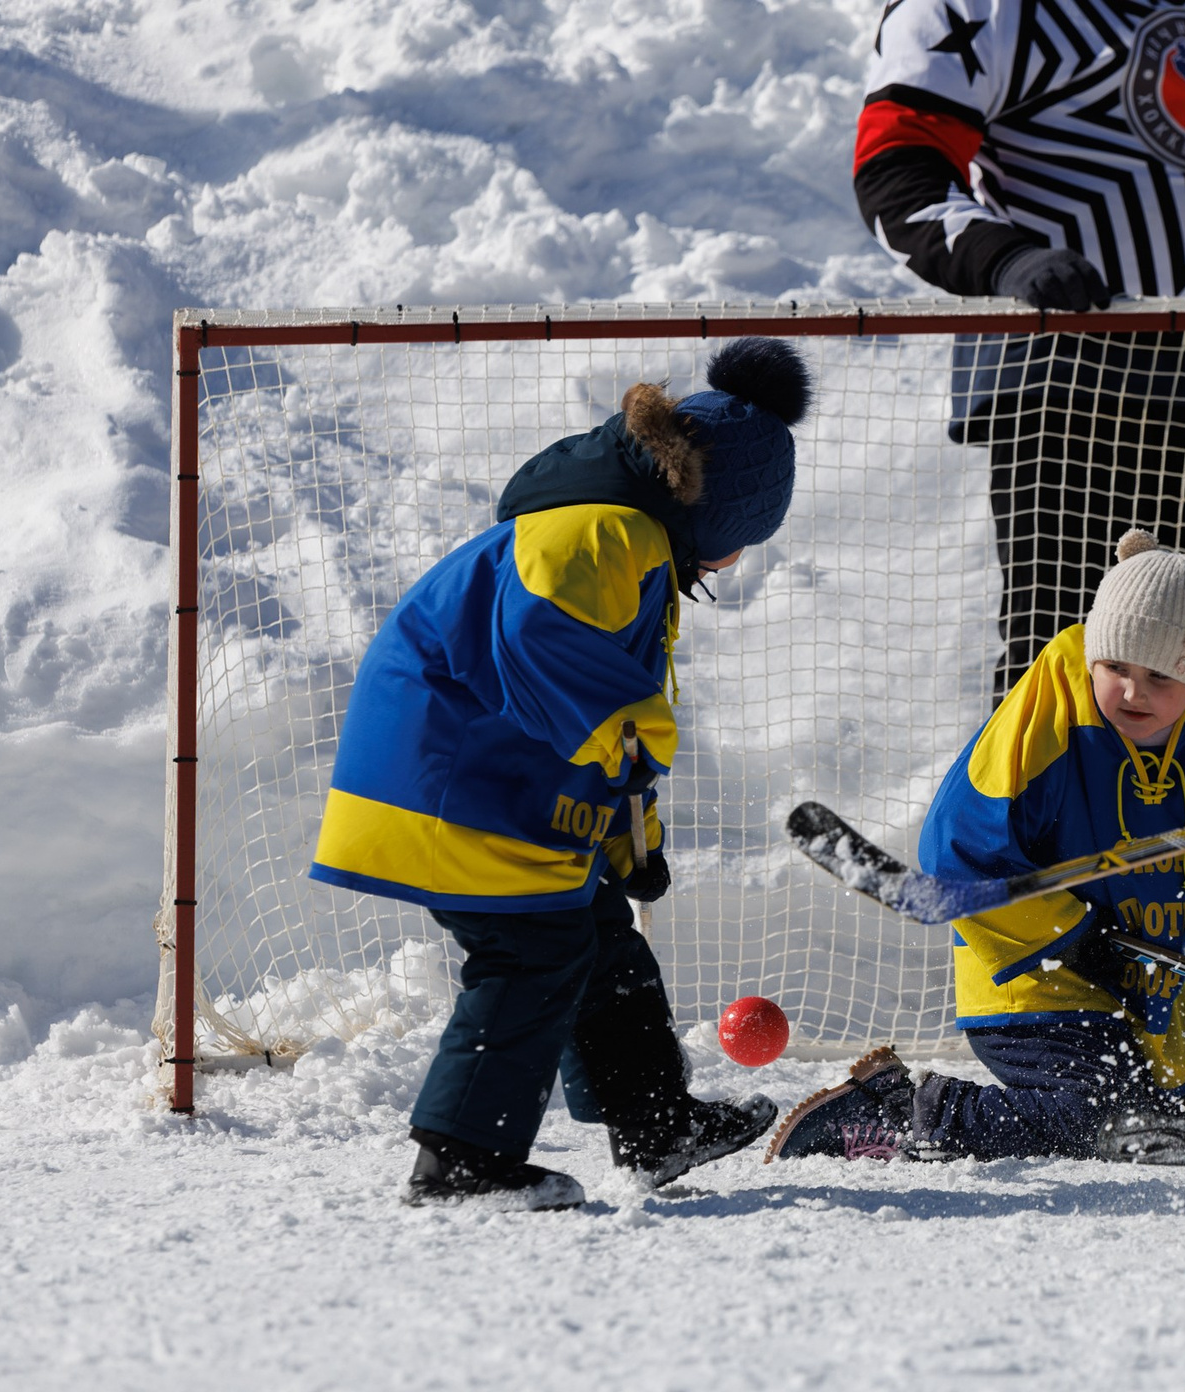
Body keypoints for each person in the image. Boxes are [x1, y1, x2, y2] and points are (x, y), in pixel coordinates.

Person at [307, 341, 814, 1209]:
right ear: (717, 516)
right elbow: (543, 643)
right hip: (449, 780)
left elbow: (609, 723)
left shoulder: (631, 542)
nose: (731, 564)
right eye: (739, 545)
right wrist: (636, 739)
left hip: (489, 783)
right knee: (531, 952)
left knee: (599, 932)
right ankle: (461, 1160)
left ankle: (655, 1126)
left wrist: (633, 844)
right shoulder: (603, 532)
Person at [768, 529, 1185, 1161]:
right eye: (1115, 667)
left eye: (1158, 676)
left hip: (1150, 989)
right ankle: (902, 1112)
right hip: (1036, 978)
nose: (1132, 691)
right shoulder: (1051, 713)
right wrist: (1069, 936)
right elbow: (958, 849)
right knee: (1095, 1113)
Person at [852, 0, 1185, 694]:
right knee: (1074, 644)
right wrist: (1007, 259)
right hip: (1067, 374)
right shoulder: (979, 8)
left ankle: (1179, 790)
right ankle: (1020, 802)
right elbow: (894, 166)